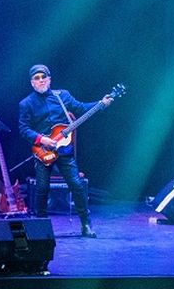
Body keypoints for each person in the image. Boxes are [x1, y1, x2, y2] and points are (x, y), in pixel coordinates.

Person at [18, 64, 114, 237]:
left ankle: (86, 224)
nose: (40, 81)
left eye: (43, 77)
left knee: (77, 185)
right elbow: (23, 129)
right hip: (43, 151)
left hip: (64, 151)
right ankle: (41, 227)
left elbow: (81, 107)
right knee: (42, 188)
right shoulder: (26, 104)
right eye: (36, 78)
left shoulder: (62, 96)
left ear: (49, 79)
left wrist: (101, 103)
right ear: (32, 82)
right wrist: (42, 139)